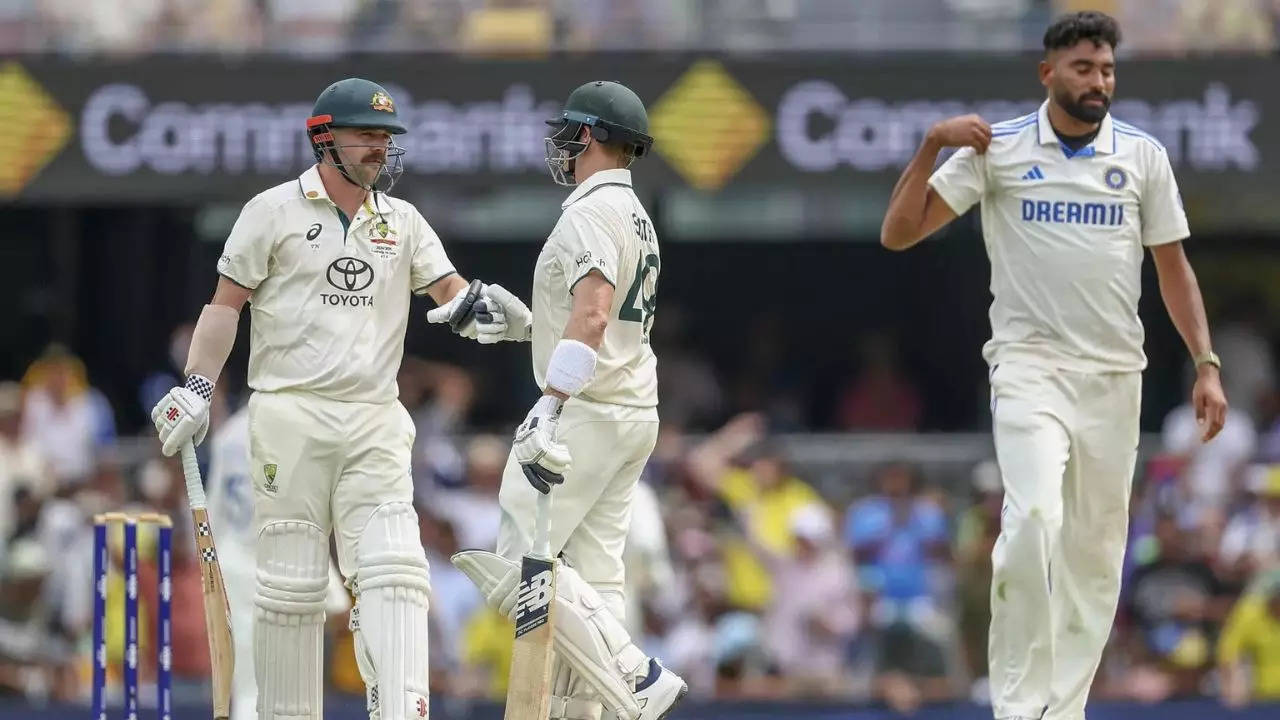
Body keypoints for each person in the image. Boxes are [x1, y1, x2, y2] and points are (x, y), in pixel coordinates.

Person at [879, 11, 1229, 720]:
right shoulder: (995, 149)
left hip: (1113, 377)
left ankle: (1061, 710)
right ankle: (1015, 705)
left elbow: (1174, 269)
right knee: (1032, 519)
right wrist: (929, 146)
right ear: (1048, 73)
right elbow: (898, 233)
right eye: (1082, 69)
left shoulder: (1142, 157)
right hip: (1029, 367)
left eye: (1106, 70)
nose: (1098, 82)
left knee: (1096, 561)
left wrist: (1206, 362)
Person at [149, 78, 526, 720]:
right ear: (325, 138)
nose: (382, 148)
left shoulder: (401, 221)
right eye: (368, 135)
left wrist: (493, 314)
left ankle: (404, 711)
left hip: (376, 417)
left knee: (395, 571)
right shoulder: (271, 211)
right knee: (292, 586)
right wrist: (198, 388)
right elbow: (224, 308)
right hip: (289, 412)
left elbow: (452, 296)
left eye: (387, 137)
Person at [448, 80, 688, 720]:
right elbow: (596, 319)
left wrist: (550, 401)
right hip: (631, 408)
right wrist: (529, 324)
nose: (559, 144)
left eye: (567, 132)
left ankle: (635, 672)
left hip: (588, 409)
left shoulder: (588, 210)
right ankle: (590, 710)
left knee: (517, 558)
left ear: (587, 136)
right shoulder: (635, 213)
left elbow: (595, 311)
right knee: (595, 575)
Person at [204, 400, 353, 720]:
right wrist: (335, 594)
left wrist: (210, 570)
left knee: (252, 683)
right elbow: (298, 515)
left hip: (235, 562)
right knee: (275, 684)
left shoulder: (227, 433)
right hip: (279, 561)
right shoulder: (291, 427)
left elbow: (213, 513)